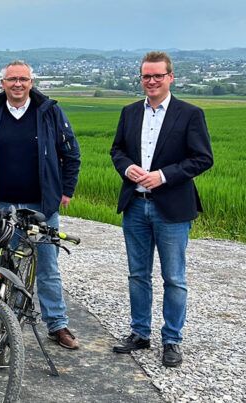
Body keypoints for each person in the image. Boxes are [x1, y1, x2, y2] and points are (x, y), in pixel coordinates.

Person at [110, 51, 213, 367]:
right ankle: (140, 333)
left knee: (174, 277)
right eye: (146, 76)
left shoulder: (189, 114)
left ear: (171, 77)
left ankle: (172, 340)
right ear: (141, 78)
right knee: (138, 275)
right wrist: (127, 168)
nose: (151, 81)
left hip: (172, 209)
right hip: (136, 207)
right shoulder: (129, 113)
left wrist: (163, 176)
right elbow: (117, 150)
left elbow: (202, 158)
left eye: (157, 75)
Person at [0, 60, 81, 350]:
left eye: (23, 79)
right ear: (2, 84)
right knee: (6, 268)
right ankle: (5, 326)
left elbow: (72, 153)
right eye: (12, 79)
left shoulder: (50, 112)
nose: (17, 84)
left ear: (31, 82)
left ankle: (57, 324)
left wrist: (65, 190)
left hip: (41, 206)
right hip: (2, 206)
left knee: (47, 267)